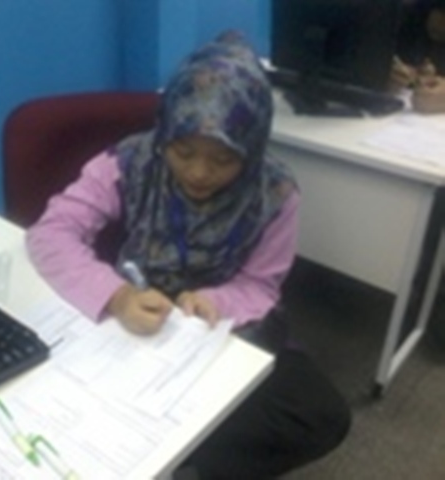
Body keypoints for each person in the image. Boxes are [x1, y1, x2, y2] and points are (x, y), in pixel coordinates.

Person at [27, 32, 350, 479]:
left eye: (224, 159)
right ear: (166, 135)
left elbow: (260, 285)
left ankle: (190, 464)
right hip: (133, 312)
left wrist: (217, 302)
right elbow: (51, 233)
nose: (199, 172)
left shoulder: (275, 192)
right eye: (184, 152)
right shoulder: (131, 160)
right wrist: (117, 297)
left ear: (252, 148)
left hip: (223, 327)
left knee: (321, 416)